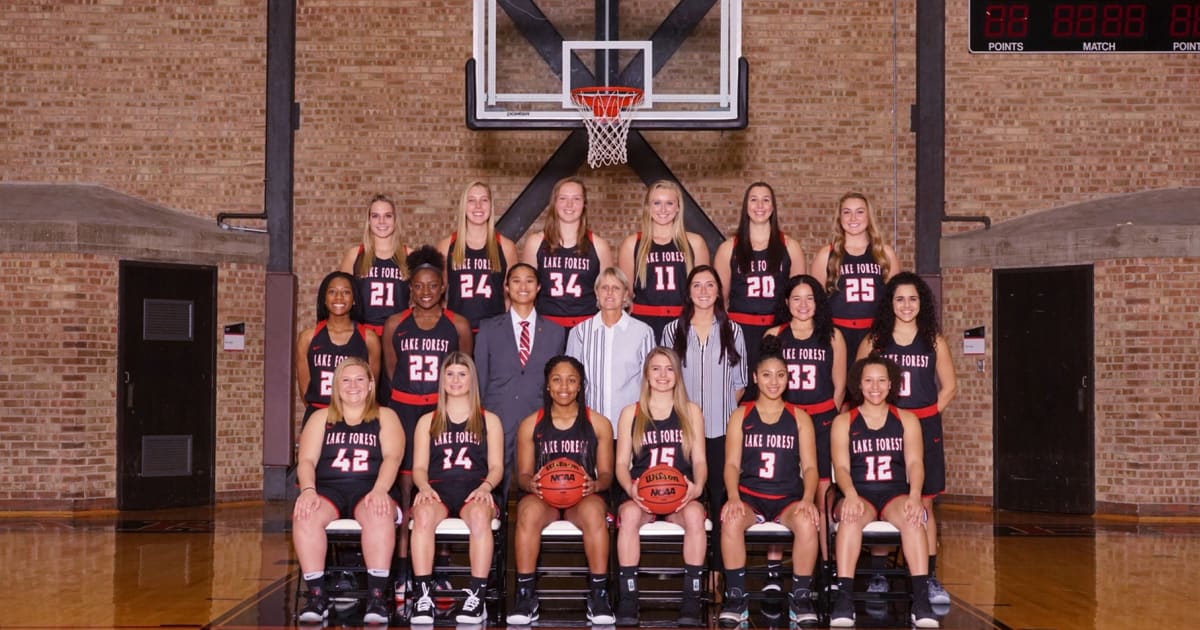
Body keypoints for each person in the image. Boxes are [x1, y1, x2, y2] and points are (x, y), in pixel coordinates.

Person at [857, 271, 957, 606]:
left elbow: (950, 387)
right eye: (899, 299)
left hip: (924, 428)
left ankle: (928, 577)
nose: (906, 305)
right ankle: (879, 573)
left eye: (913, 299)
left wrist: (923, 416)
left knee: (924, 503)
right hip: (884, 427)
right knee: (883, 498)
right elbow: (858, 381)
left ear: (921, 303)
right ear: (890, 303)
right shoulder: (875, 341)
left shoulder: (933, 341)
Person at [381, 245, 473, 604]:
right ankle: (405, 569)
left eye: (432, 285)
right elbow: (391, 371)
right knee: (407, 490)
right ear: (410, 288)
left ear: (443, 288)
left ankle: (443, 568)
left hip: (442, 413)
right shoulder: (395, 324)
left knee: (440, 486)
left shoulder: (458, 325)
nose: (425, 292)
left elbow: (463, 370)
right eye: (418, 285)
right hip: (404, 411)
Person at [828, 356, 939, 628]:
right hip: (858, 493)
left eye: (881, 381)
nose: (875, 387)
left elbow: (915, 463)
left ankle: (921, 600)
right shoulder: (844, 421)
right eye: (868, 381)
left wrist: (915, 496)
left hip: (894, 493)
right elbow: (841, 467)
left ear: (891, 384)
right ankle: (844, 598)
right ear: (859, 384)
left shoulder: (907, 420)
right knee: (850, 518)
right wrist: (849, 494)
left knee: (913, 518)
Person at [292, 358, 404, 626]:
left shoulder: (385, 416)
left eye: (359, 379)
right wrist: (308, 490)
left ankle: (377, 597)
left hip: (371, 487)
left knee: (378, 512)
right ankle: (317, 596)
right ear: (336, 385)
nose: (353, 386)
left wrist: (381, 490)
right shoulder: (320, 418)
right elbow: (306, 460)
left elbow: (393, 457)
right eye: (346, 380)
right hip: (329, 489)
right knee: (305, 514)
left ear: (370, 385)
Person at [717, 342, 821, 628]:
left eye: (780, 375)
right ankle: (736, 598)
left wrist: (808, 499)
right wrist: (733, 497)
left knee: (808, 522)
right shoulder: (741, 415)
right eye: (766, 375)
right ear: (755, 377)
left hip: (788, 498)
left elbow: (810, 467)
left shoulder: (799, 417)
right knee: (731, 520)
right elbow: (731, 464)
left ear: (788, 378)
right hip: (751, 497)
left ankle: (800, 598)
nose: (773, 382)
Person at [506, 356, 616, 626]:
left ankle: (599, 594)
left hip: (583, 496)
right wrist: (530, 483)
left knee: (594, 513)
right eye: (557, 380)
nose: (564, 387)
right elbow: (522, 475)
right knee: (527, 512)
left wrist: (595, 484)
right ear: (547, 385)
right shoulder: (531, 424)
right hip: (544, 497)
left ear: (580, 385)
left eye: (571, 380)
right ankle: (525, 595)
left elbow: (606, 474)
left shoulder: (598, 423)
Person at [612, 348, 708, 627]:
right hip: (643, 495)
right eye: (656, 368)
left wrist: (697, 487)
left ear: (678, 375)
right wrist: (631, 489)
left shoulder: (691, 411)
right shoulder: (631, 413)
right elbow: (621, 464)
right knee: (629, 515)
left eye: (669, 368)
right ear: (646, 374)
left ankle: (691, 597)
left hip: (680, 495)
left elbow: (700, 460)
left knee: (695, 515)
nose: (663, 375)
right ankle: (629, 596)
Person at [408, 352, 504, 625]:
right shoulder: (428, 420)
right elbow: (419, 468)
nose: (455, 380)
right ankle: (423, 596)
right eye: (449, 374)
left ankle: (477, 597)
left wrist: (486, 487)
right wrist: (423, 487)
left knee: (479, 516)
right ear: (442, 380)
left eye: (462, 374)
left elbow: (497, 466)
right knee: (422, 515)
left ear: (473, 379)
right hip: (437, 489)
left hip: (475, 488)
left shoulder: (489, 420)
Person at [763, 274, 846, 562]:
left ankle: (826, 565)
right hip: (785, 421)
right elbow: (766, 382)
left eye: (809, 298)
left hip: (821, 420)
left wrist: (825, 420)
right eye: (796, 298)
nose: (803, 304)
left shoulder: (833, 336)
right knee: (779, 493)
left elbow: (839, 387)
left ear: (818, 302)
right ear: (787, 302)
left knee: (822, 494)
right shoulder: (774, 335)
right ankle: (774, 569)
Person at [661, 265, 747, 533]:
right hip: (684, 430)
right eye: (696, 285)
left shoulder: (733, 330)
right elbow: (665, 380)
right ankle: (693, 557)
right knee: (686, 499)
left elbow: (739, 384)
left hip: (721, 430)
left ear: (719, 292)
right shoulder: (672, 330)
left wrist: (719, 408)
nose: (703, 291)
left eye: (710, 285)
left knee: (721, 498)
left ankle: (720, 559)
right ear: (688, 292)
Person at [474, 263, 567, 493]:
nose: (523, 286)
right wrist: (480, 419)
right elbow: (480, 378)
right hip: (498, 420)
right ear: (506, 287)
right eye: (516, 281)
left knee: (539, 489)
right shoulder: (488, 329)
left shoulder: (556, 332)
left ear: (539, 287)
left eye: (529, 281)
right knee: (495, 489)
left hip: (539, 421)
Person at [713, 182, 806, 369]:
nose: (760, 206)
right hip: (740, 330)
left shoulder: (791, 247)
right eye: (754, 200)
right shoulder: (728, 249)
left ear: (773, 207)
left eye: (766, 200)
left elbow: (799, 296)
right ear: (746, 206)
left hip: (777, 329)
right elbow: (720, 300)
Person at [810, 192, 899, 380]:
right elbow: (815, 303)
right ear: (839, 217)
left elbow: (895, 302)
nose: (853, 218)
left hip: (873, 334)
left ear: (869, 216)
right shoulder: (826, 255)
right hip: (838, 335)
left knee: (871, 386)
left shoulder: (885, 254)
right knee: (838, 387)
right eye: (847, 212)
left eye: (859, 212)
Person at [617, 180, 711, 340]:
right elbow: (626, 295)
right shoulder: (632, 244)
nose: (663, 209)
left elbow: (704, 291)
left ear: (678, 207)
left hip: (684, 322)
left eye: (669, 203)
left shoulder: (695, 243)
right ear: (648, 207)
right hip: (643, 323)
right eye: (657, 203)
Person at [521, 176, 614, 329]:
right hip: (546, 327)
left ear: (584, 204)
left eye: (576, 199)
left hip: (586, 326)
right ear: (554, 203)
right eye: (563, 198)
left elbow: (609, 294)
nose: (569, 205)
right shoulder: (535, 243)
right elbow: (524, 292)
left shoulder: (599, 246)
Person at [566, 267, 656, 425]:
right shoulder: (579, 332)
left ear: (625, 294)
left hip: (631, 423)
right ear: (596, 293)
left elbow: (650, 381)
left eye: (616, 288)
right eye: (604, 288)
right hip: (591, 423)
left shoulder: (643, 332)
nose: (609, 293)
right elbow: (571, 379)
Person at [295, 271, 381, 426]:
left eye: (346, 292)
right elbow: (305, 391)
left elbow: (371, 387)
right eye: (332, 292)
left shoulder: (369, 338)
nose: (339, 297)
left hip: (356, 417)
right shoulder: (308, 338)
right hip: (319, 414)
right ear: (324, 298)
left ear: (354, 299)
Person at [436, 181, 519, 332]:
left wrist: (502, 325)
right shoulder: (446, 245)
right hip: (458, 331)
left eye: (484, 200)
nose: (478, 206)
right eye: (471, 200)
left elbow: (512, 296)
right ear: (464, 206)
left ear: (491, 206)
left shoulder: (506, 246)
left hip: (495, 331)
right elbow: (437, 293)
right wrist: (449, 321)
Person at [340, 194, 411, 338]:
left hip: (399, 334)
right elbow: (342, 298)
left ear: (395, 219)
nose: (382, 221)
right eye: (375, 216)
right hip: (363, 334)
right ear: (368, 220)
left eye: (388, 216)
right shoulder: (355, 255)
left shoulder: (409, 255)